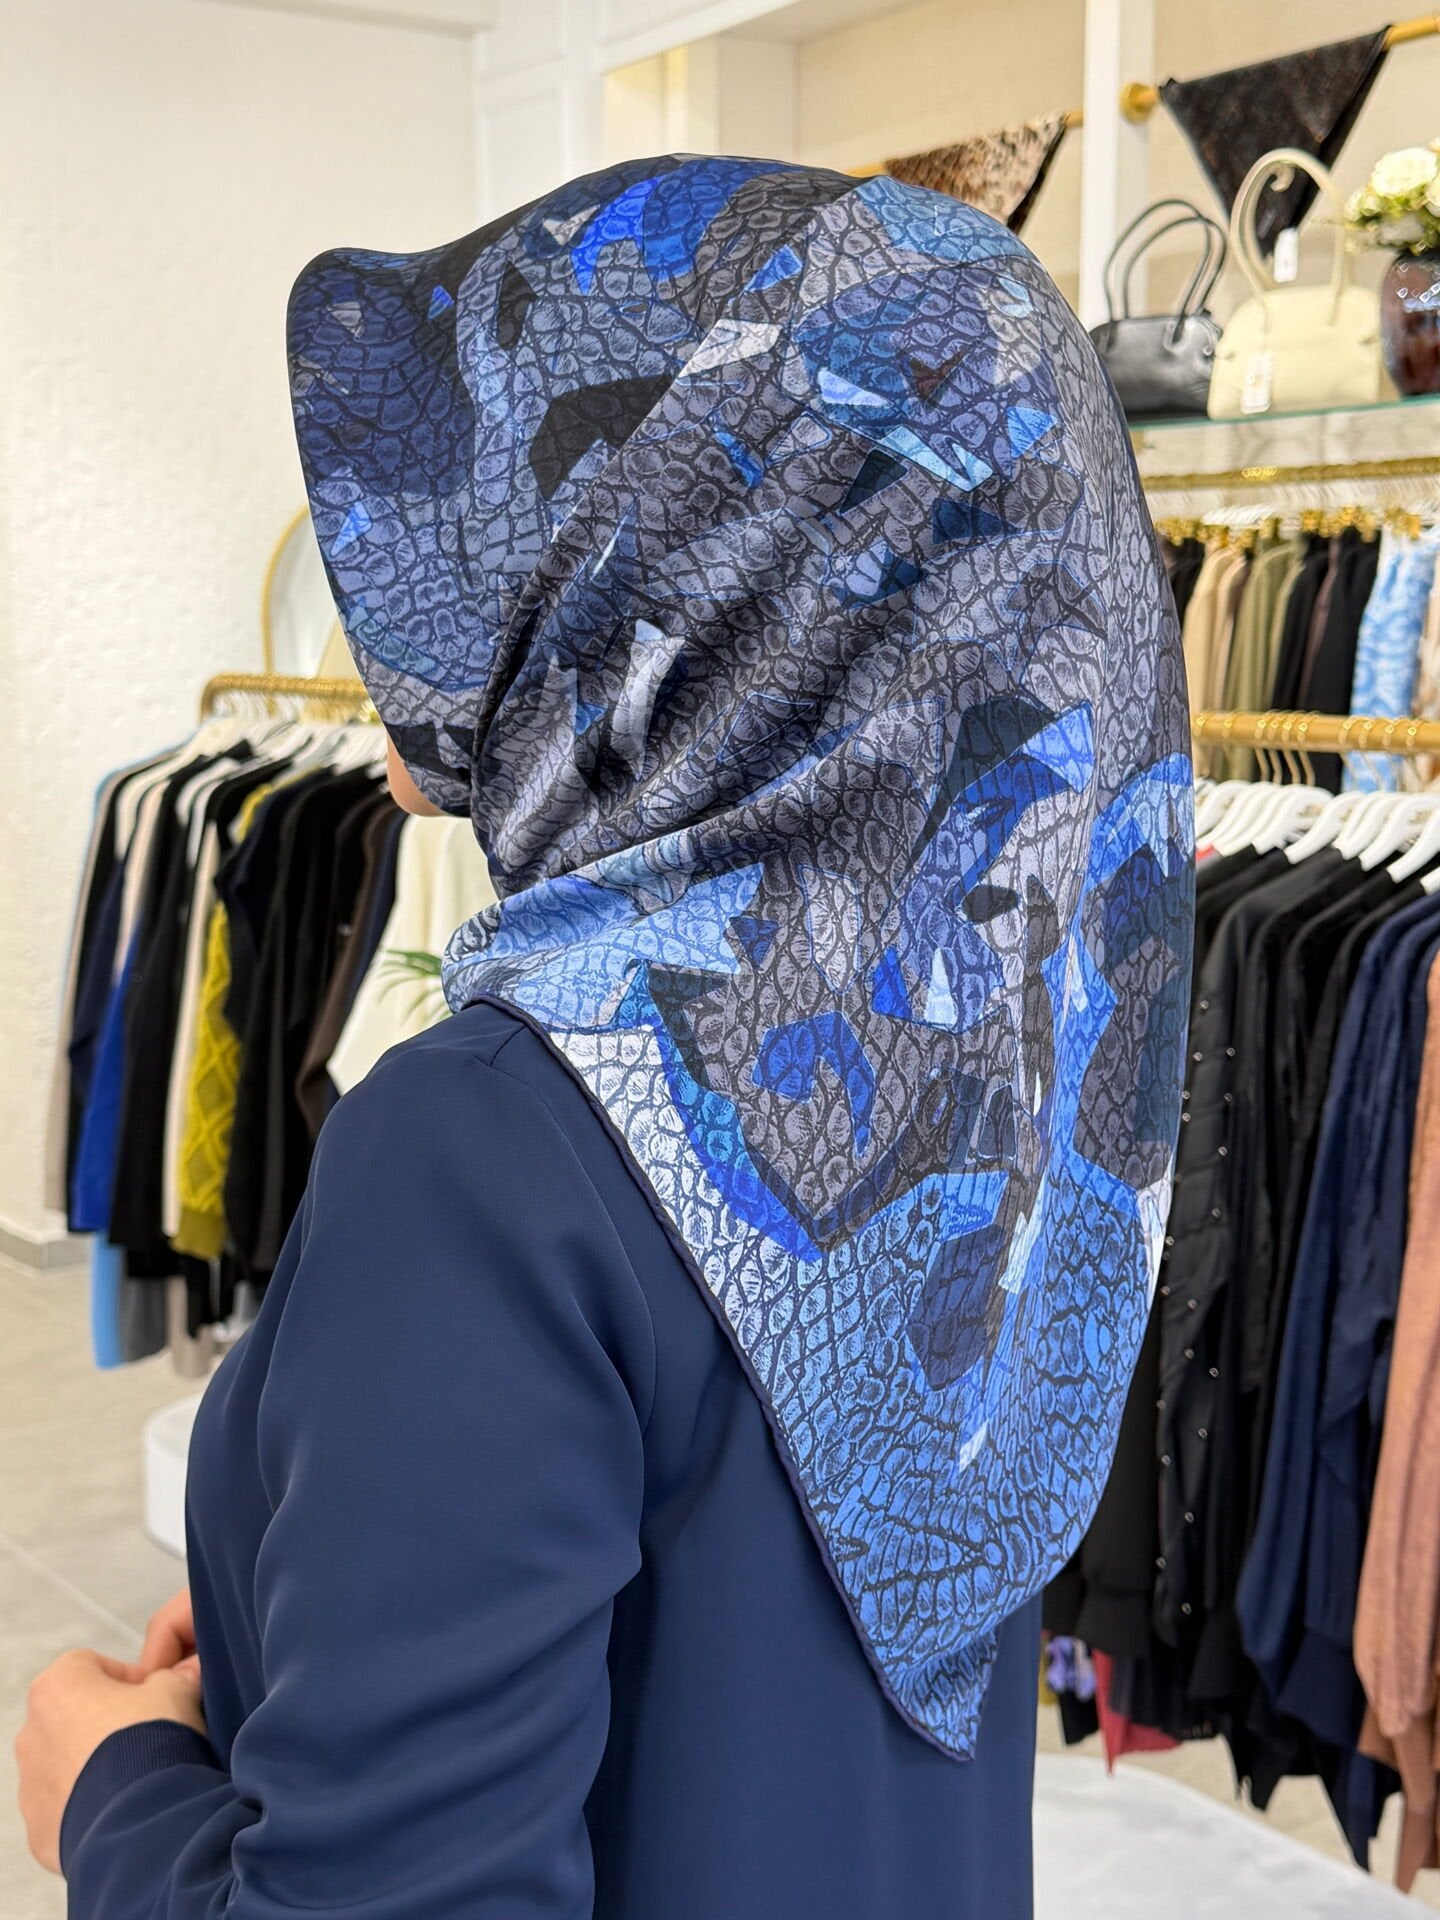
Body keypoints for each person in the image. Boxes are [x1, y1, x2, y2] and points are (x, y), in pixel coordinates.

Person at [19, 154, 1192, 1918]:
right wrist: (344, 1614)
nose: (406, 633)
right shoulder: (1018, 1067)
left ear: (682, 582)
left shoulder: (497, 1146)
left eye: (511, 529)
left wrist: (102, 1787)